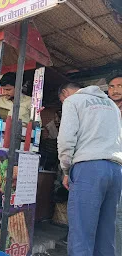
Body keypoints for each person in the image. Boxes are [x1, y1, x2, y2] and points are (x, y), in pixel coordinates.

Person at [57, 83, 122, 256]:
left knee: (81, 233)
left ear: (65, 93)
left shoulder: (73, 102)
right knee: (106, 234)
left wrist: (66, 170)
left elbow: (65, 141)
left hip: (88, 168)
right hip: (116, 169)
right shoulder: (112, 106)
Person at [107, 73, 122, 256]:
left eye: (119, 86)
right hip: (106, 166)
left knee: (118, 215)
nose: (115, 90)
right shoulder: (104, 108)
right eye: (112, 86)